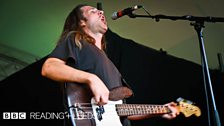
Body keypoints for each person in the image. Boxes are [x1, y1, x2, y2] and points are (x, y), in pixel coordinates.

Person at [41, 4, 179, 126]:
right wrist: (91, 79)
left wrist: (160, 110)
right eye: (93, 11)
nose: (101, 12)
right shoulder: (76, 41)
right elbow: (49, 67)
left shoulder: (111, 66)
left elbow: (118, 111)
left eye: (100, 11)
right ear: (82, 22)